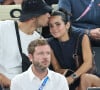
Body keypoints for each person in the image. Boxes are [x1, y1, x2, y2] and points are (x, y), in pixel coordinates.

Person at [0, 0, 52, 89]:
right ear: (33, 17)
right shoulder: (3, 28)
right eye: (45, 12)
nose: (49, 16)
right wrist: (3, 79)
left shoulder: (40, 40)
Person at [48, 9, 94, 90]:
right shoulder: (49, 43)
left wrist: (72, 77)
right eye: (51, 26)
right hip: (67, 79)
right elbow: (56, 68)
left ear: (67, 25)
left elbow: (88, 63)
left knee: (85, 78)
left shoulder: (81, 36)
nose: (54, 28)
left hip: (88, 78)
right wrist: (65, 73)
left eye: (58, 24)